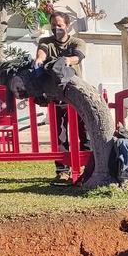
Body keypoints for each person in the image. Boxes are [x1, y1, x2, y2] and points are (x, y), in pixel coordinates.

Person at [35, 11, 88, 184]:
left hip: (77, 93)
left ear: (68, 26)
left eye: (60, 25)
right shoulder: (46, 42)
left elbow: (77, 57)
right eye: (53, 25)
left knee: (84, 132)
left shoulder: (77, 41)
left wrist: (65, 61)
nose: (56, 28)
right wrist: (39, 60)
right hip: (57, 95)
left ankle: (87, 167)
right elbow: (41, 53)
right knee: (60, 134)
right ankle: (62, 171)